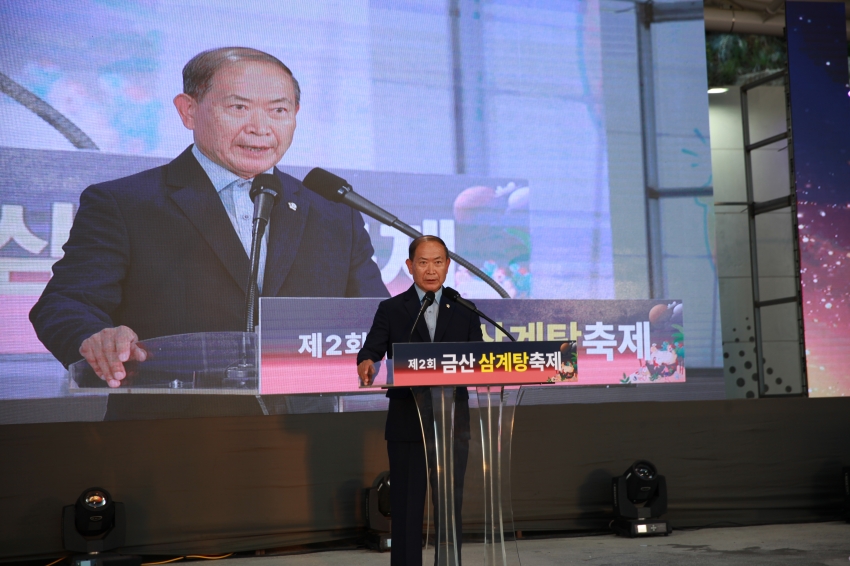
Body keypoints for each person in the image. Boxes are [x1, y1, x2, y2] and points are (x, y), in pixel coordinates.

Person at [30, 47, 388, 384]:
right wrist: (95, 336)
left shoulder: (333, 213)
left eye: (279, 110)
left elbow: (381, 321)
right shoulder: (124, 204)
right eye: (238, 107)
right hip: (174, 430)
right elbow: (66, 303)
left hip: (312, 434)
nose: (261, 128)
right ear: (188, 111)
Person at [357, 235, 482, 566]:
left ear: (447, 266)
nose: (431, 270)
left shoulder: (466, 310)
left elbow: (479, 359)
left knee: (448, 507)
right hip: (407, 422)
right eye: (423, 262)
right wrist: (367, 362)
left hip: (453, 423)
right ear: (409, 266)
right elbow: (371, 349)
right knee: (407, 509)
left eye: (438, 262)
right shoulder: (392, 309)